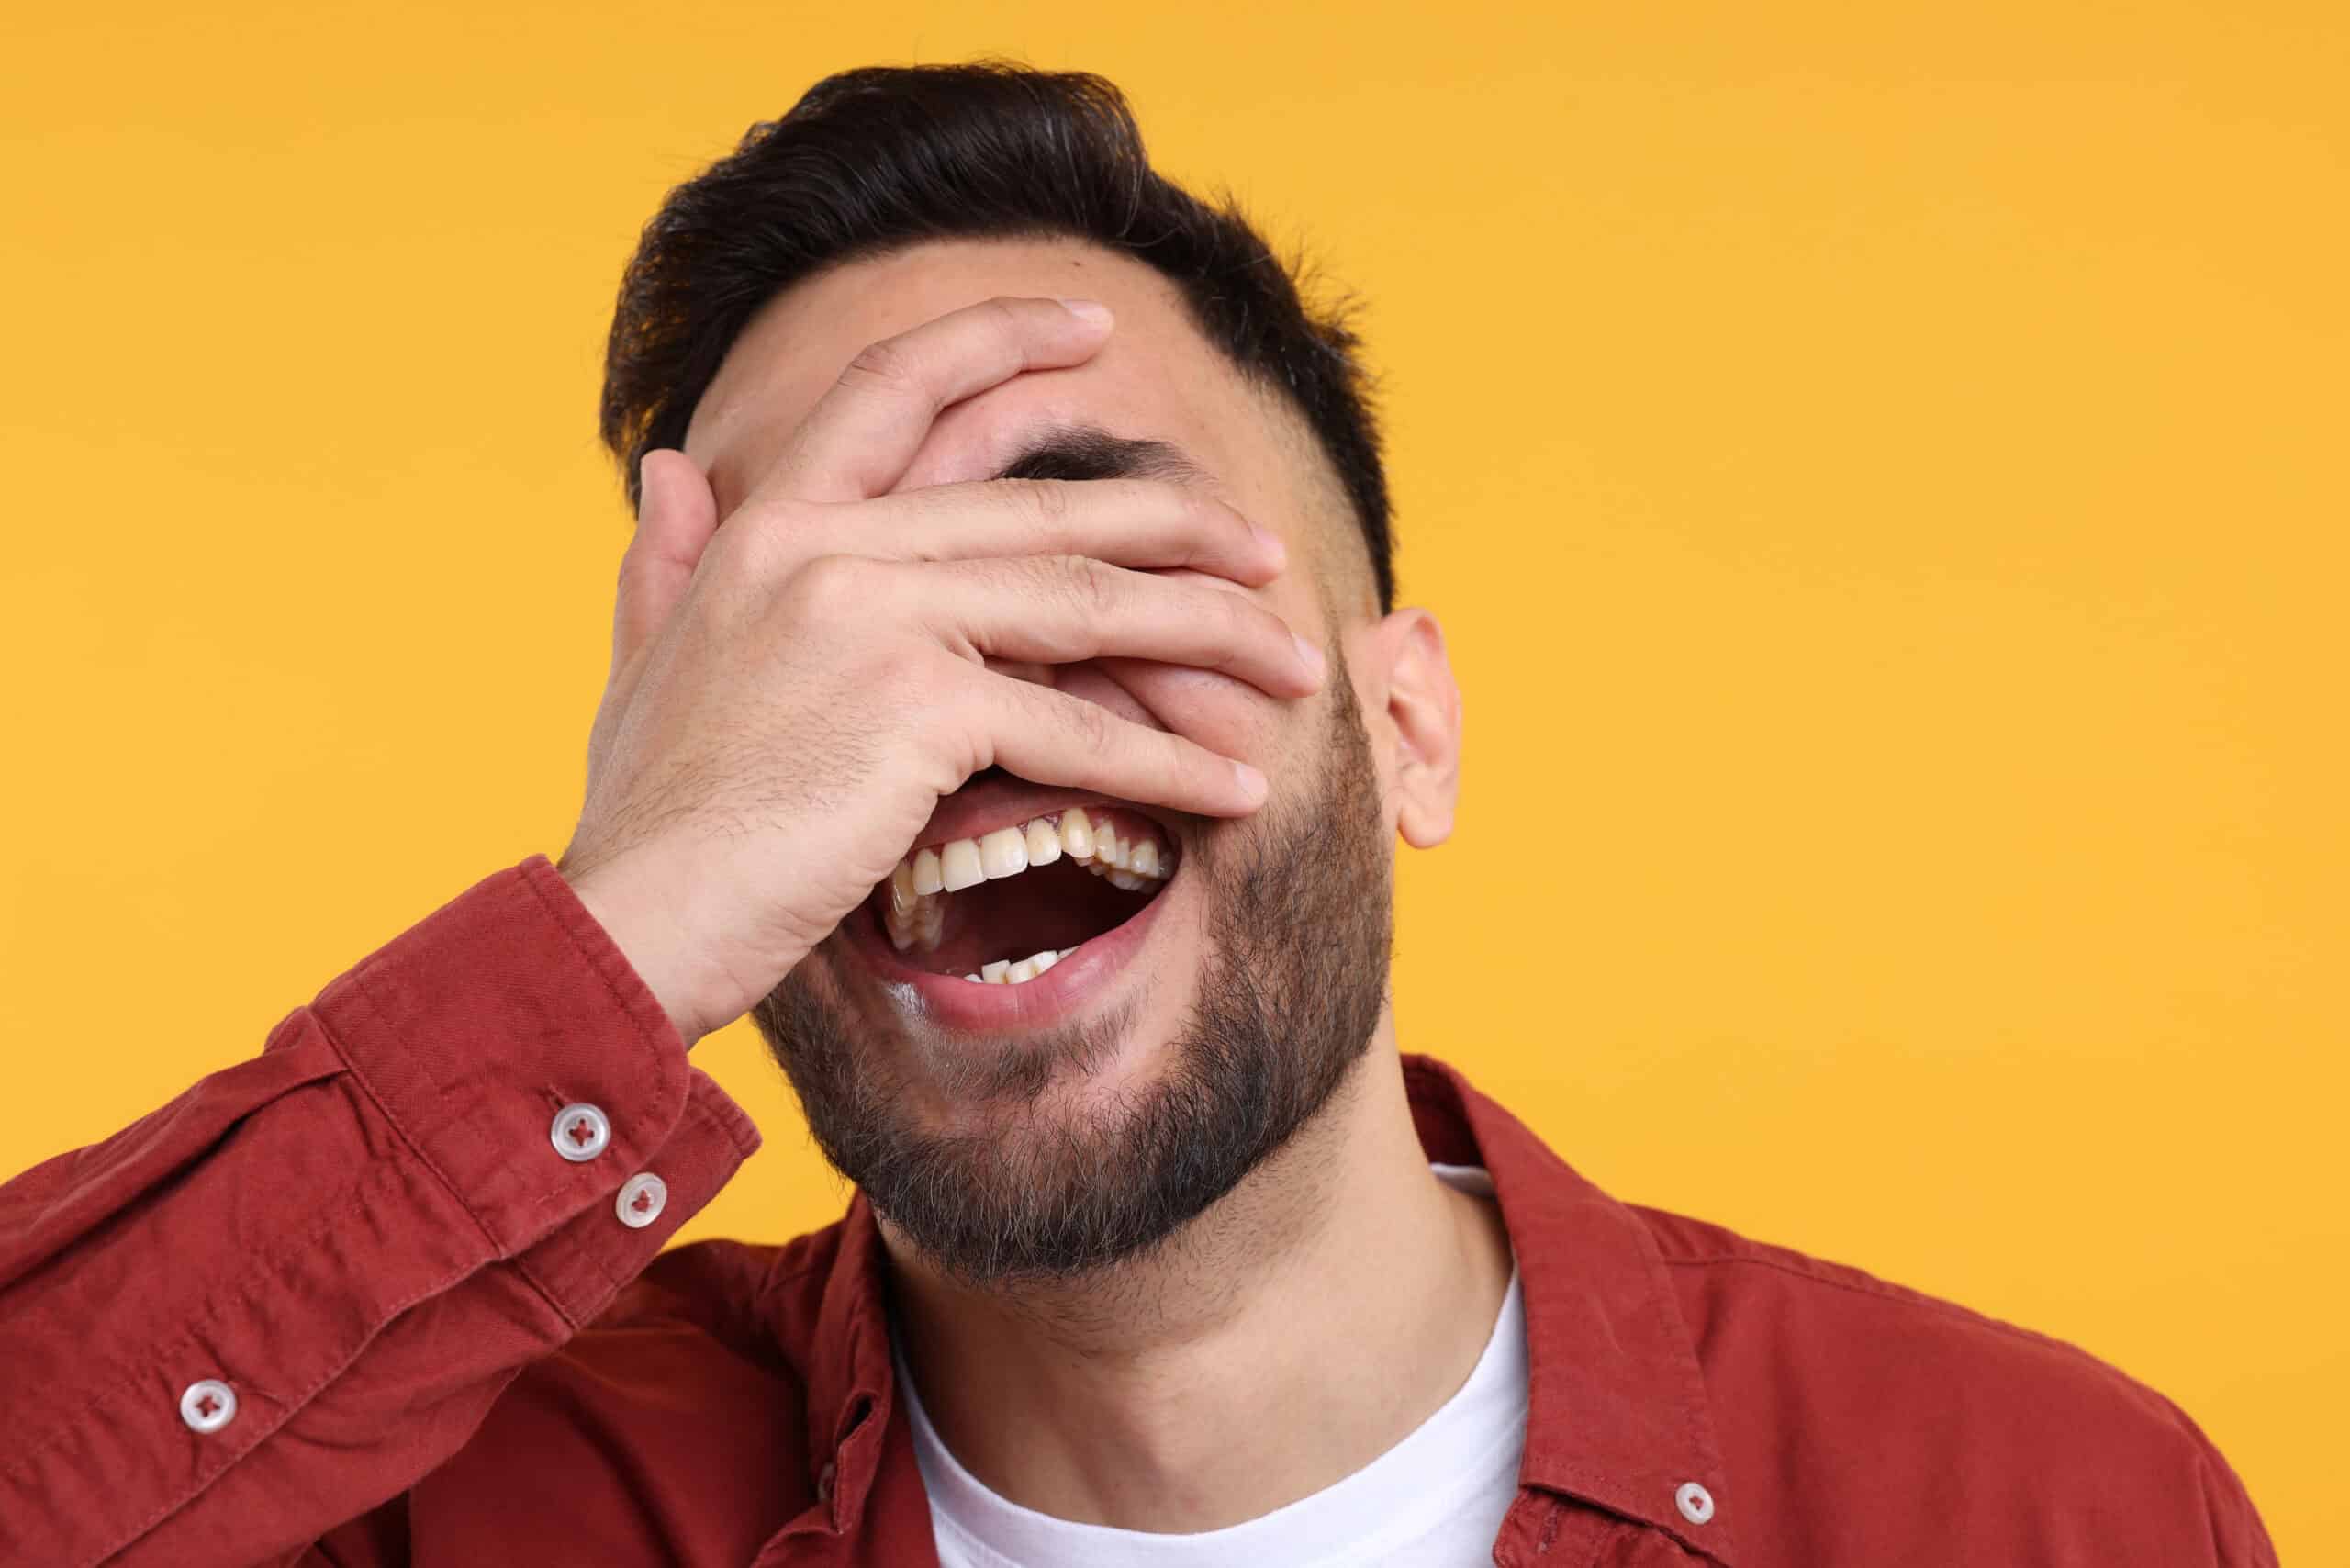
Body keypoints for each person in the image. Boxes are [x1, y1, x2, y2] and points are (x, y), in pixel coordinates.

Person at [0, 62, 2275, 1568]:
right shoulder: (424, 1499)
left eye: (1088, 551)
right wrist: (623, 930)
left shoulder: (2036, 1504)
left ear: (1407, 729)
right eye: (814, 623)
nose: (950, 708)